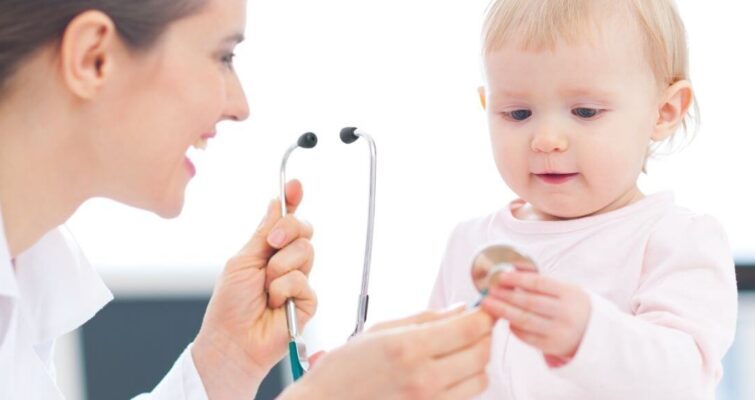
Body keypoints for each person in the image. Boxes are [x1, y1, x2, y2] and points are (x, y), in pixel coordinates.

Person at [0, 0, 495, 398]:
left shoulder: (30, 277)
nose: (240, 106)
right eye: (222, 56)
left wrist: (224, 363)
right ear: (94, 58)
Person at [429, 0, 738, 398]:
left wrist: (588, 333)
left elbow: (684, 379)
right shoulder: (470, 242)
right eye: (519, 114)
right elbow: (435, 371)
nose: (546, 140)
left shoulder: (676, 240)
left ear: (663, 112)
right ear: (488, 106)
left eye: (585, 111)